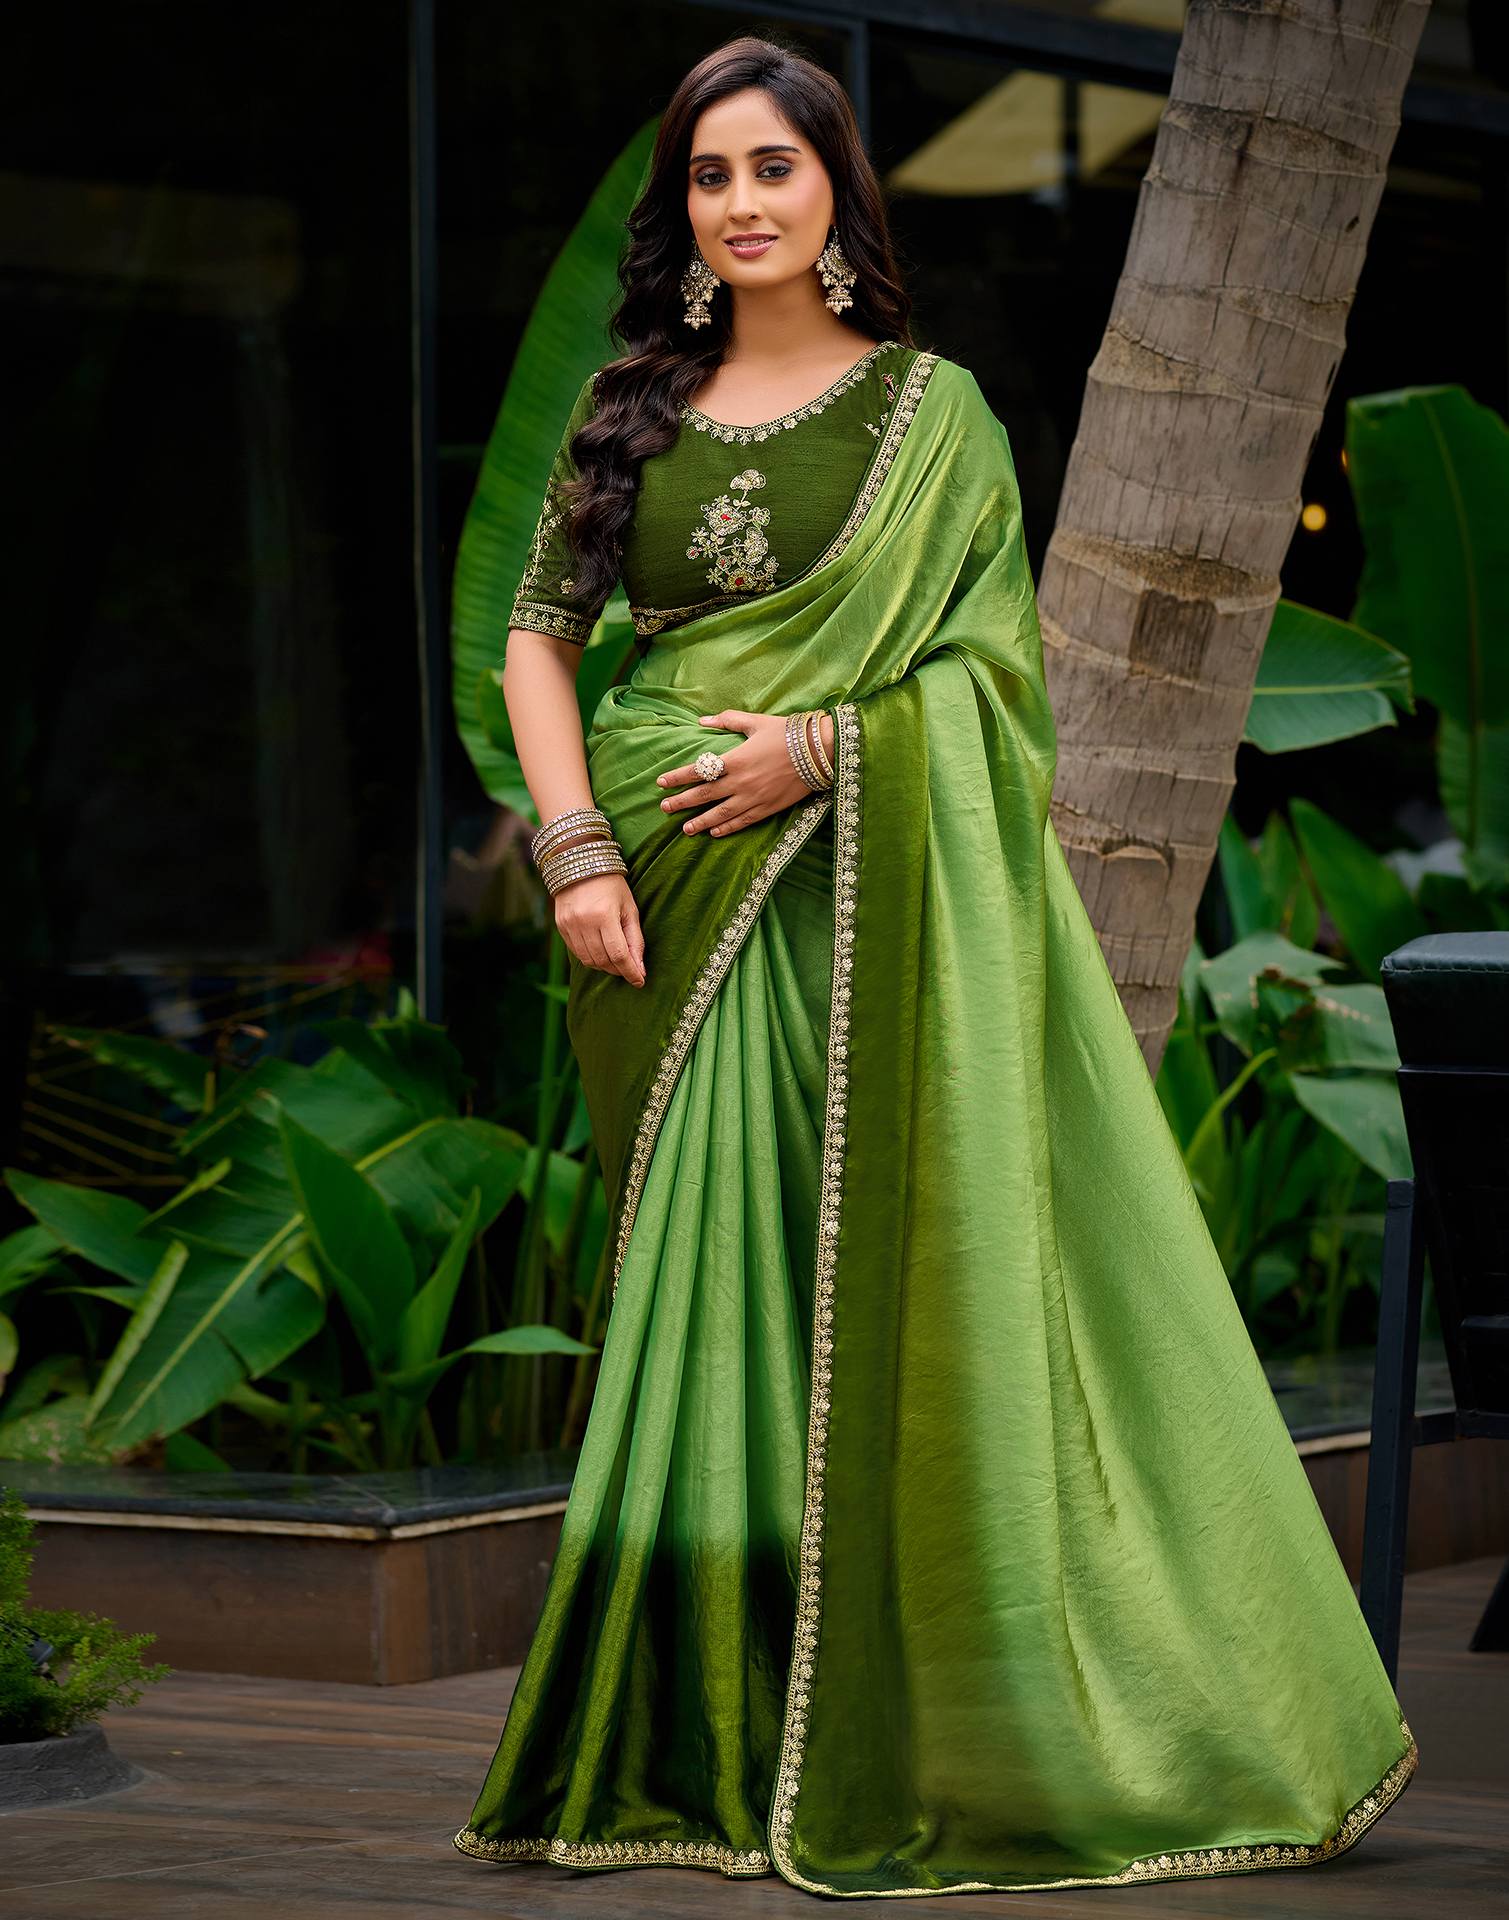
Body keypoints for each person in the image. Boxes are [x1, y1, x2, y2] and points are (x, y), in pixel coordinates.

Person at [454, 32, 1417, 1901]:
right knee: (703, 1304)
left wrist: (824, 753)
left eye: (774, 170)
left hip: (860, 902)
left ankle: (917, 1712)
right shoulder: (625, 407)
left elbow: (991, 685)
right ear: (686, 212)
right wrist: (574, 849)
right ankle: (685, 1733)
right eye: (712, 178)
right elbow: (537, 639)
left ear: (834, 193)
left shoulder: (928, 418)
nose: (742, 205)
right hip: (655, 902)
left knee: (867, 1289)